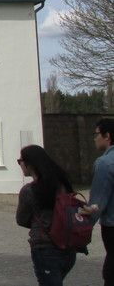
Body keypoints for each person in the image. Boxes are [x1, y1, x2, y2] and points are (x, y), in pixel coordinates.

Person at [16, 144, 83, 285]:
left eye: (20, 161)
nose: (20, 165)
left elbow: (21, 220)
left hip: (44, 246)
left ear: (29, 164)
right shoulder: (61, 184)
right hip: (68, 244)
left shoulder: (29, 191)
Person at [81, 118, 114, 285]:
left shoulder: (105, 163)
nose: (95, 138)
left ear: (107, 136)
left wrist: (81, 226)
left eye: (96, 134)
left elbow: (97, 203)